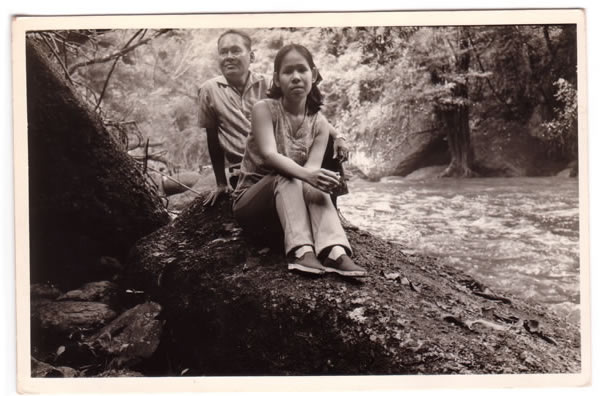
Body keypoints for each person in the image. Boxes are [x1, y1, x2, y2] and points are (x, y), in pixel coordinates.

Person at [232, 44, 367, 278]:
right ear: (277, 78)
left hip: (289, 211)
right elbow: (269, 155)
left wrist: (320, 178)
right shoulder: (263, 109)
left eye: (302, 70)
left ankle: (334, 250)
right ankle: (301, 250)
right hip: (253, 206)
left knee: (313, 180)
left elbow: (312, 171)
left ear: (313, 75)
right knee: (289, 174)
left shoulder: (320, 124)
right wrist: (308, 175)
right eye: (288, 72)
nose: (296, 77)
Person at [197, 29, 348, 206]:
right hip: (247, 169)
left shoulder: (271, 82)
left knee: (328, 142)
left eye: (235, 50)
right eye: (223, 52)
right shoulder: (209, 90)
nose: (229, 56)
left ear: (251, 56)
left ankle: (331, 205)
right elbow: (212, 136)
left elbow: (307, 116)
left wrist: (338, 135)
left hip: (280, 157)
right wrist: (221, 183)